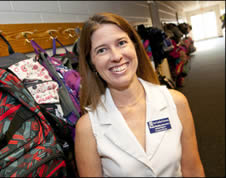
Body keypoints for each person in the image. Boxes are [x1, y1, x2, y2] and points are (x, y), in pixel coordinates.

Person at [75, 12, 205, 177]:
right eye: (102, 50)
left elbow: (193, 170)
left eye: (121, 43)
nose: (116, 56)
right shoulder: (87, 128)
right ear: (91, 62)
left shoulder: (176, 102)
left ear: (135, 46)